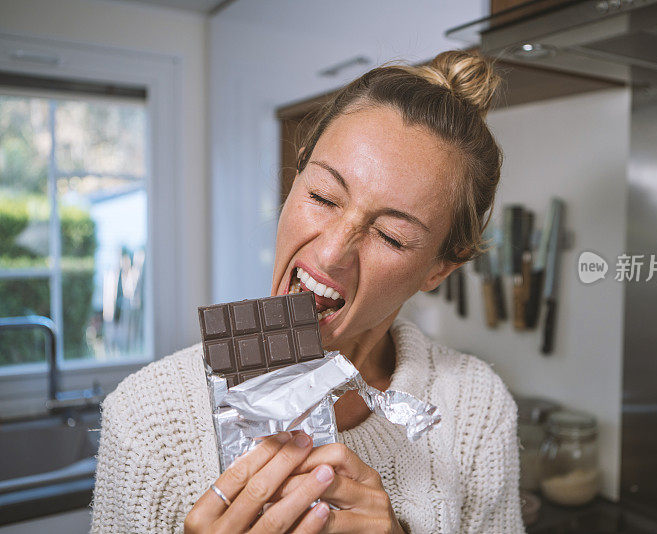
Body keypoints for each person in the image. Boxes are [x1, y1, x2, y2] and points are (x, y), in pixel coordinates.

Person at [91, 49, 525, 534]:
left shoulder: (475, 410)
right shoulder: (146, 420)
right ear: (296, 179)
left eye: (391, 236)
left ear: (440, 269)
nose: (332, 252)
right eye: (322, 196)